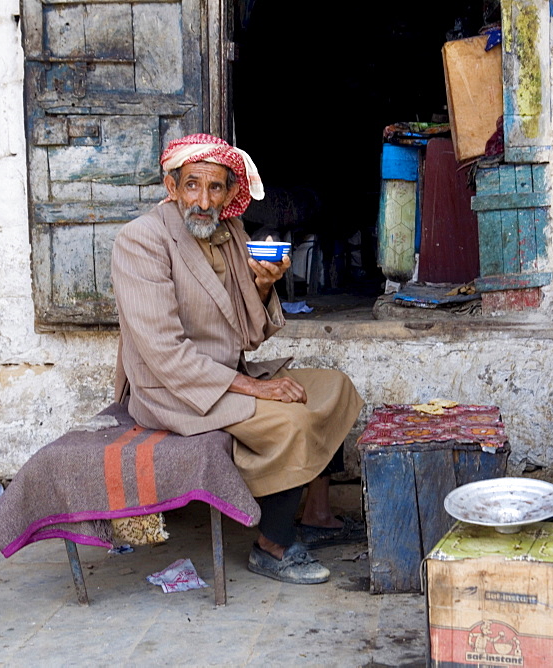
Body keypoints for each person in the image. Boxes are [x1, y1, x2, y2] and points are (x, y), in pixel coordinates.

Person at [111, 133, 364, 584]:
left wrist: (265, 285)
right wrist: (257, 388)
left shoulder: (228, 234)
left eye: (215, 188)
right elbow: (164, 355)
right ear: (172, 188)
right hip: (169, 391)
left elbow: (248, 336)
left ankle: (316, 516)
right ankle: (272, 544)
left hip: (226, 375)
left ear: (230, 193)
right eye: (192, 186)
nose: (203, 200)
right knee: (291, 419)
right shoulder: (141, 241)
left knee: (333, 386)